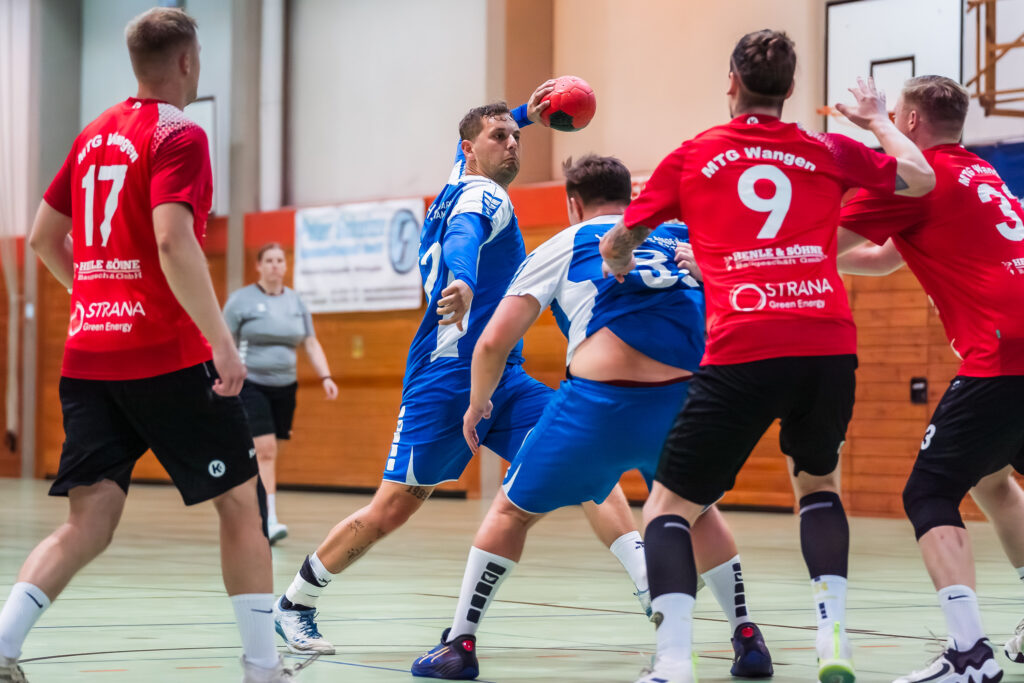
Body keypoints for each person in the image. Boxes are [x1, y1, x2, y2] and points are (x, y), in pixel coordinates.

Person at [599, 30, 935, 683]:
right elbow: (919, 178)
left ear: (732, 82)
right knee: (818, 486)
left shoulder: (694, 154)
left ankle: (673, 660)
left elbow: (621, 238)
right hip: (827, 343)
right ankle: (832, 637)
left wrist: (617, 263)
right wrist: (875, 122)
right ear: (791, 89)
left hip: (744, 345)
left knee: (668, 509)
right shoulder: (827, 148)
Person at [274, 86, 653, 655]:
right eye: (501, 138)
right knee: (391, 509)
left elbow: (475, 152)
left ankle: (649, 583)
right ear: (471, 150)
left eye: (516, 137)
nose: (513, 144)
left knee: (586, 459)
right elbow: (464, 237)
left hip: (505, 377)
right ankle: (294, 603)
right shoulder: (482, 194)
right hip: (445, 380)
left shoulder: (459, 176)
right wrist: (465, 281)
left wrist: (526, 114)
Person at [0, 8, 294, 683]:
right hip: (167, 356)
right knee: (241, 506)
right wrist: (222, 342)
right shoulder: (180, 133)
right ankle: (263, 668)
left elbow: (42, 237)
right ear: (187, 62)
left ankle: (3, 642)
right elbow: (171, 238)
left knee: (89, 520)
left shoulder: (92, 135)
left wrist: (95, 295)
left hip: (88, 359)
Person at [410, 155, 774, 680]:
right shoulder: (678, 237)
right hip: (685, 402)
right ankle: (747, 636)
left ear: (573, 204)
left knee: (511, 512)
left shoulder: (564, 243)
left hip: (598, 405)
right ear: (631, 198)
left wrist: (477, 403)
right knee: (697, 511)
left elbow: (491, 342)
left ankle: (460, 644)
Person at [836, 75, 1024, 683]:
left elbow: (816, 243)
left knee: (929, 493)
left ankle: (970, 655)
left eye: (894, 115)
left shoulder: (917, 178)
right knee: (992, 480)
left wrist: (721, 263)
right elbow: (882, 258)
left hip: (1003, 354)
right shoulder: (981, 173)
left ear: (911, 122)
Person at [224, 242, 339, 543]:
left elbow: (310, 342)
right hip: (250, 384)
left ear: (286, 267)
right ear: (259, 266)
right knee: (265, 451)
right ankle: (268, 519)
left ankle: (254, 506)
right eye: (269, 260)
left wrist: (326, 376)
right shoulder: (241, 301)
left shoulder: (295, 302)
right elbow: (223, 341)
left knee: (272, 452)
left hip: (286, 387)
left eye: (280, 260)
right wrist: (223, 376)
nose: (275, 265)